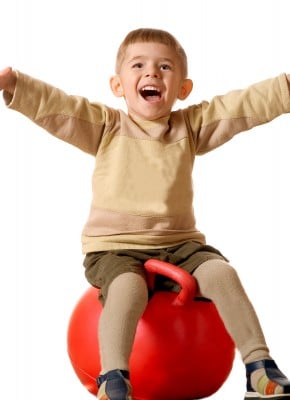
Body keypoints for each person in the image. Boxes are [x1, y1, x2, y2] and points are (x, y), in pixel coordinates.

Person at [1, 28, 290, 400]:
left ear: (183, 88)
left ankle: (258, 366)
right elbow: (61, 108)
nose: (152, 74)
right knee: (128, 287)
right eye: (139, 65)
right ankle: (113, 378)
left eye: (164, 67)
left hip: (180, 245)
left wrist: (283, 88)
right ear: (118, 85)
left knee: (222, 273)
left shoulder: (189, 126)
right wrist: (15, 85)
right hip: (114, 248)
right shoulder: (106, 127)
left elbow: (237, 108)